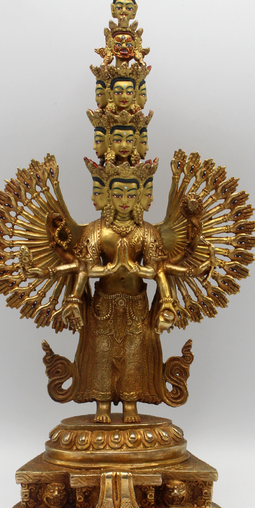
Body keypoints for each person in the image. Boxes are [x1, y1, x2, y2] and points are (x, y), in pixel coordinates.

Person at [61, 175, 176, 423]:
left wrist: (166, 300)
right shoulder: (96, 230)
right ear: (108, 197)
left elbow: (158, 270)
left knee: (134, 352)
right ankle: (102, 404)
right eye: (118, 194)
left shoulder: (146, 231)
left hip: (136, 303)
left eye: (131, 195)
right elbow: (84, 269)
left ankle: (130, 403)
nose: (124, 200)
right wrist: (76, 297)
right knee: (102, 351)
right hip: (105, 302)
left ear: (140, 198)